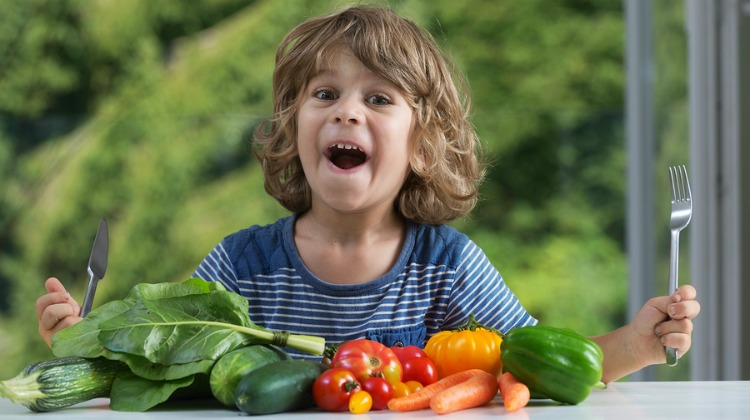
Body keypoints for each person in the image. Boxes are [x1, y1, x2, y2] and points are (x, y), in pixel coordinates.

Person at [36, 5, 700, 384]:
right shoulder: (241, 266)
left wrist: (636, 345)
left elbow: (538, 364)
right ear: (294, 127)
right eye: (324, 95)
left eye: (377, 99)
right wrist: (86, 342)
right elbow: (167, 359)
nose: (346, 113)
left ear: (421, 144)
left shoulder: (448, 267)